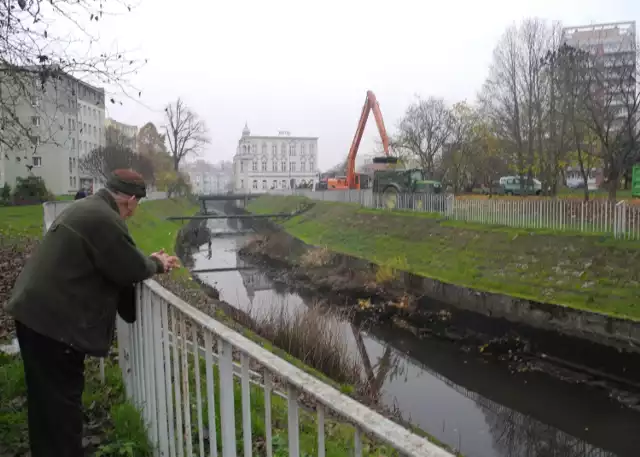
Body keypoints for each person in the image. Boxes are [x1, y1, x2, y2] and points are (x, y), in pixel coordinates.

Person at [4, 169, 180, 457]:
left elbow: (118, 258)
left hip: (34, 314)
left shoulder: (87, 208)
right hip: (52, 326)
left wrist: (147, 260)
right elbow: (131, 266)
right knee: (62, 410)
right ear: (132, 200)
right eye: (138, 206)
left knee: (46, 406)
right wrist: (157, 264)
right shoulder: (104, 219)